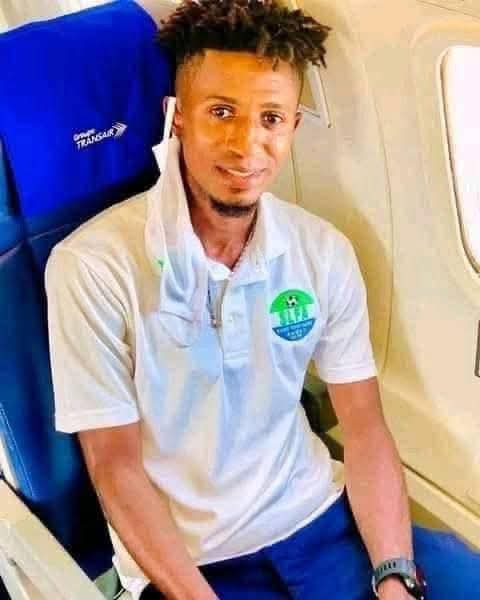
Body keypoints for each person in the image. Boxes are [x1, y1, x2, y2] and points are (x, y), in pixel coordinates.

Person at [45, 1, 480, 599]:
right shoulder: (93, 266)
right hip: (195, 562)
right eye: (221, 112)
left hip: (322, 516)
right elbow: (113, 465)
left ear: (292, 128)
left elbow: (364, 427)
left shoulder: (321, 251)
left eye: (270, 117)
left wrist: (394, 575)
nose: (246, 144)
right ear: (178, 118)